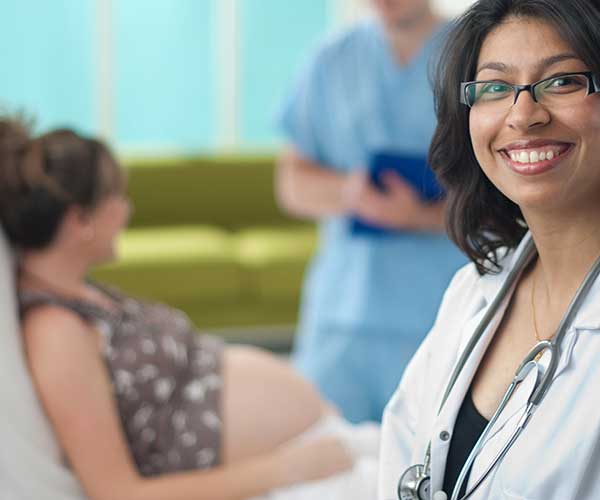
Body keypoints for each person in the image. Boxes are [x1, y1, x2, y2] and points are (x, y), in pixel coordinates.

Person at [0, 120, 378, 500]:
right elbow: (117, 492)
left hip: (311, 449)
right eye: (116, 196)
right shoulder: (54, 333)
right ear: (79, 220)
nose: (127, 209)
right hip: (284, 472)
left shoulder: (80, 293)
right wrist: (290, 469)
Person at [378, 0, 600, 498]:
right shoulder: (476, 291)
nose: (524, 115)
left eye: (563, 81)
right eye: (496, 88)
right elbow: (400, 453)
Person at [276, 0, 467, 424]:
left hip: (439, 307)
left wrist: (419, 215)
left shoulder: (473, 52)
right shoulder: (331, 58)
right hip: (342, 311)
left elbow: (508, 194)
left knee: (430, 460)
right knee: (328, 456)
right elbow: (292, 184)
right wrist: (349, 191)